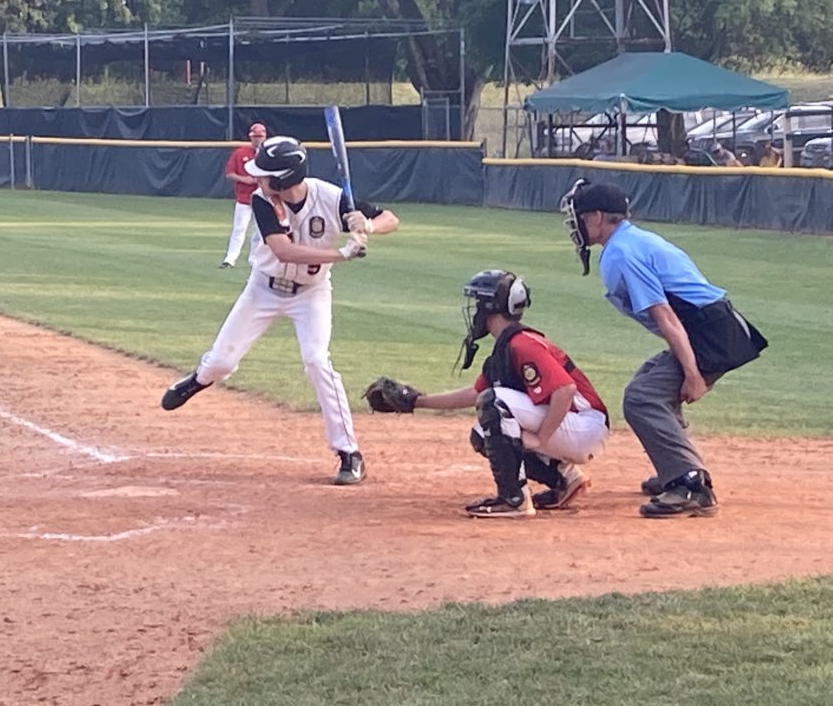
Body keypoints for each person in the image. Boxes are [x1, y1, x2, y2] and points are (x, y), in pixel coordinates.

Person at [161, 135, 400, 485]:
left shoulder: (331, 197)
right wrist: (342, 254)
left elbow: (391, 218)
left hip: (312, 294)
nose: (257, 178)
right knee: (221, 363)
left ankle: (349, 453)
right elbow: (284, 251)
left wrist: (368, 226)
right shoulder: (262, 200)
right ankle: (199, 379)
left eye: (265, 173)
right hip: (263, 288)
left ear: (285, 178)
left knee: (317, 361)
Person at [559, 180, 768, 519]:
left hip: (709, 333)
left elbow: (667, 316)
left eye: (581, 218)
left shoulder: (624, 252)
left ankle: (690, 485)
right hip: (711, 328)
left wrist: (693, 374)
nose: (578, 226)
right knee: (650, 383)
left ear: (597, 217)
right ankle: (678, 468)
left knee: (642, 398)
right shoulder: (629, 241)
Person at [370, 270, 610, 519]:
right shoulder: (506, 347)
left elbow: (565, 389)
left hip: (585, 426)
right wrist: (417, 401)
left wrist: (540, 437)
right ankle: (566, 478)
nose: (475, 312)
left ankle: (514, 499)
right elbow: (476, 393)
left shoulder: (522, 343)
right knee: (483, 433)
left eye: (478, 304)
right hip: (575, 425)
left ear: (491, 306)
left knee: (495, 404)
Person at [219, 122, 268, 269]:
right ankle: (230, 259)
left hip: (263, 197)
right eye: (255, 136)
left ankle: (254, 260)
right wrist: (244, 179)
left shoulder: (268, 154)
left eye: (260, 136)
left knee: (259, 231)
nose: (258, 139)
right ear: (250, 137)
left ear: (265, 136)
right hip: (244, 198)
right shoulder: (241, 153)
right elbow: (229, 173)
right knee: (239, 229)